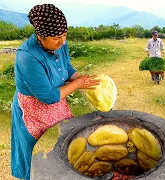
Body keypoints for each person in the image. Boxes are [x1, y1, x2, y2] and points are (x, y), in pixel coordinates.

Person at [10, 4, 101, 180]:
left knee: (64, 146)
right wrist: (78, 84)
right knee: (40, 157)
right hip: (34, 111)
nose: (63, 42)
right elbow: (48, 96)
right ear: (40, 36)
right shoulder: (27, 56)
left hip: (57, 106)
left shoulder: (59, 44)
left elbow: (66, 68)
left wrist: (81, 78)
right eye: (57, 38)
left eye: (65, 35)